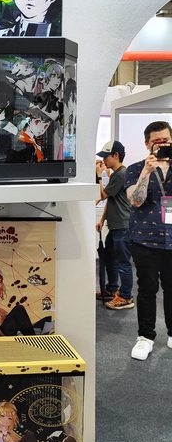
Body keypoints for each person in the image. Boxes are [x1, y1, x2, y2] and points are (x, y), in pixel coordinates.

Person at [124, 121, 172, 360]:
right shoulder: (135, 169)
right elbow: (136, 200)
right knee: (146, 289)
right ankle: (145, 336)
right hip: (145, 240)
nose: (162, 145)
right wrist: (146, 172)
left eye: (166, 141)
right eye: (157, 142)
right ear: (147, 144)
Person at [96, 140, 134, 310]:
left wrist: (99, 176)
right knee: (110, 258)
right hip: (115, 225)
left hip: (122, 226)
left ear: (116, 155)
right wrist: (102, 219)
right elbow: (111, 200)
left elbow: (103, 195)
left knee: (123, 262)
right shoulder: (116, 174)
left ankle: (126, 297)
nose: (104, 160)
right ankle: (112, 289)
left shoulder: (121, 174)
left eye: (106, 156)